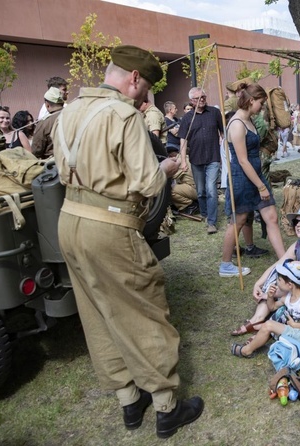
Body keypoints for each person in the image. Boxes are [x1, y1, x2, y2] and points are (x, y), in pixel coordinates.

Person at [51, 44, 204, 439]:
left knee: (97, 312)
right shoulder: (123, 115)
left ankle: (128, 401)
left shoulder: (67, 111)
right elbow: (148, 183)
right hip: (110, 224)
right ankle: (167, 408)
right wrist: (167, 167)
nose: (145, 97)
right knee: (144, 309)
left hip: (69, 220)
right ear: (133, 78)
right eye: (147, 87)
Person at [230, 204, 300, 336]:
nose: (298, 225)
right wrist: (259, 283)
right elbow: (277, 265)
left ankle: (265, 327)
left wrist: (271, 294)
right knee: (279, 272)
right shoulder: (298, 245)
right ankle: (257, 319)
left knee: (286, 308)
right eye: (296, 221)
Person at [219, 83, 285, 278]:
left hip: (257, 175)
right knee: (238, 220)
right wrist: (261, 186)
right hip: (243, 179)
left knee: (271, 217)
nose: (262, 107)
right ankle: (225, 264)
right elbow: (242, 160)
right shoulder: (237, 123)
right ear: (251, 100)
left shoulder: (249, 120)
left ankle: (283, 260)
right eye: (261, 103)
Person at [231, 259, 300, 358]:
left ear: (290, 285)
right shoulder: (289, 296)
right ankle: (258, 342)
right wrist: (270, 296)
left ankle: (246, 351)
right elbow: (272, 307)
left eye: (279, 279)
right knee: (269, 325)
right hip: (296, 330)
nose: (276, 281)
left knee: (269, 325)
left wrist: (295, 325)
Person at [178, 87, 224, 234]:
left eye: (203, 96)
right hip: (196, 159)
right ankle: (204, 212)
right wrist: (183, 161)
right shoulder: (187, 118)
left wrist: (225, 150)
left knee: (211, 190)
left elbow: (223, 133)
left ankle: (211, 222)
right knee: (201, 191)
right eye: (198, 98)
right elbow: (183, 140)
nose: (202, 99)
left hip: (213, 157)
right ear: (192, 101)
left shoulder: (215, 113)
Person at [166, 146, 199, 219]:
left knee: (170, 191)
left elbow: (170, 176)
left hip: (195, 189)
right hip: (200, 187)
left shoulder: (179, 161)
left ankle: (190, 205)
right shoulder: (187, 157)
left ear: (170, 156)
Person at [32, 87, 65, 159]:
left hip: (53, 165)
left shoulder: (44, 123)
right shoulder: (75, 116)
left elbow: (36, 150)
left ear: (47, 105)